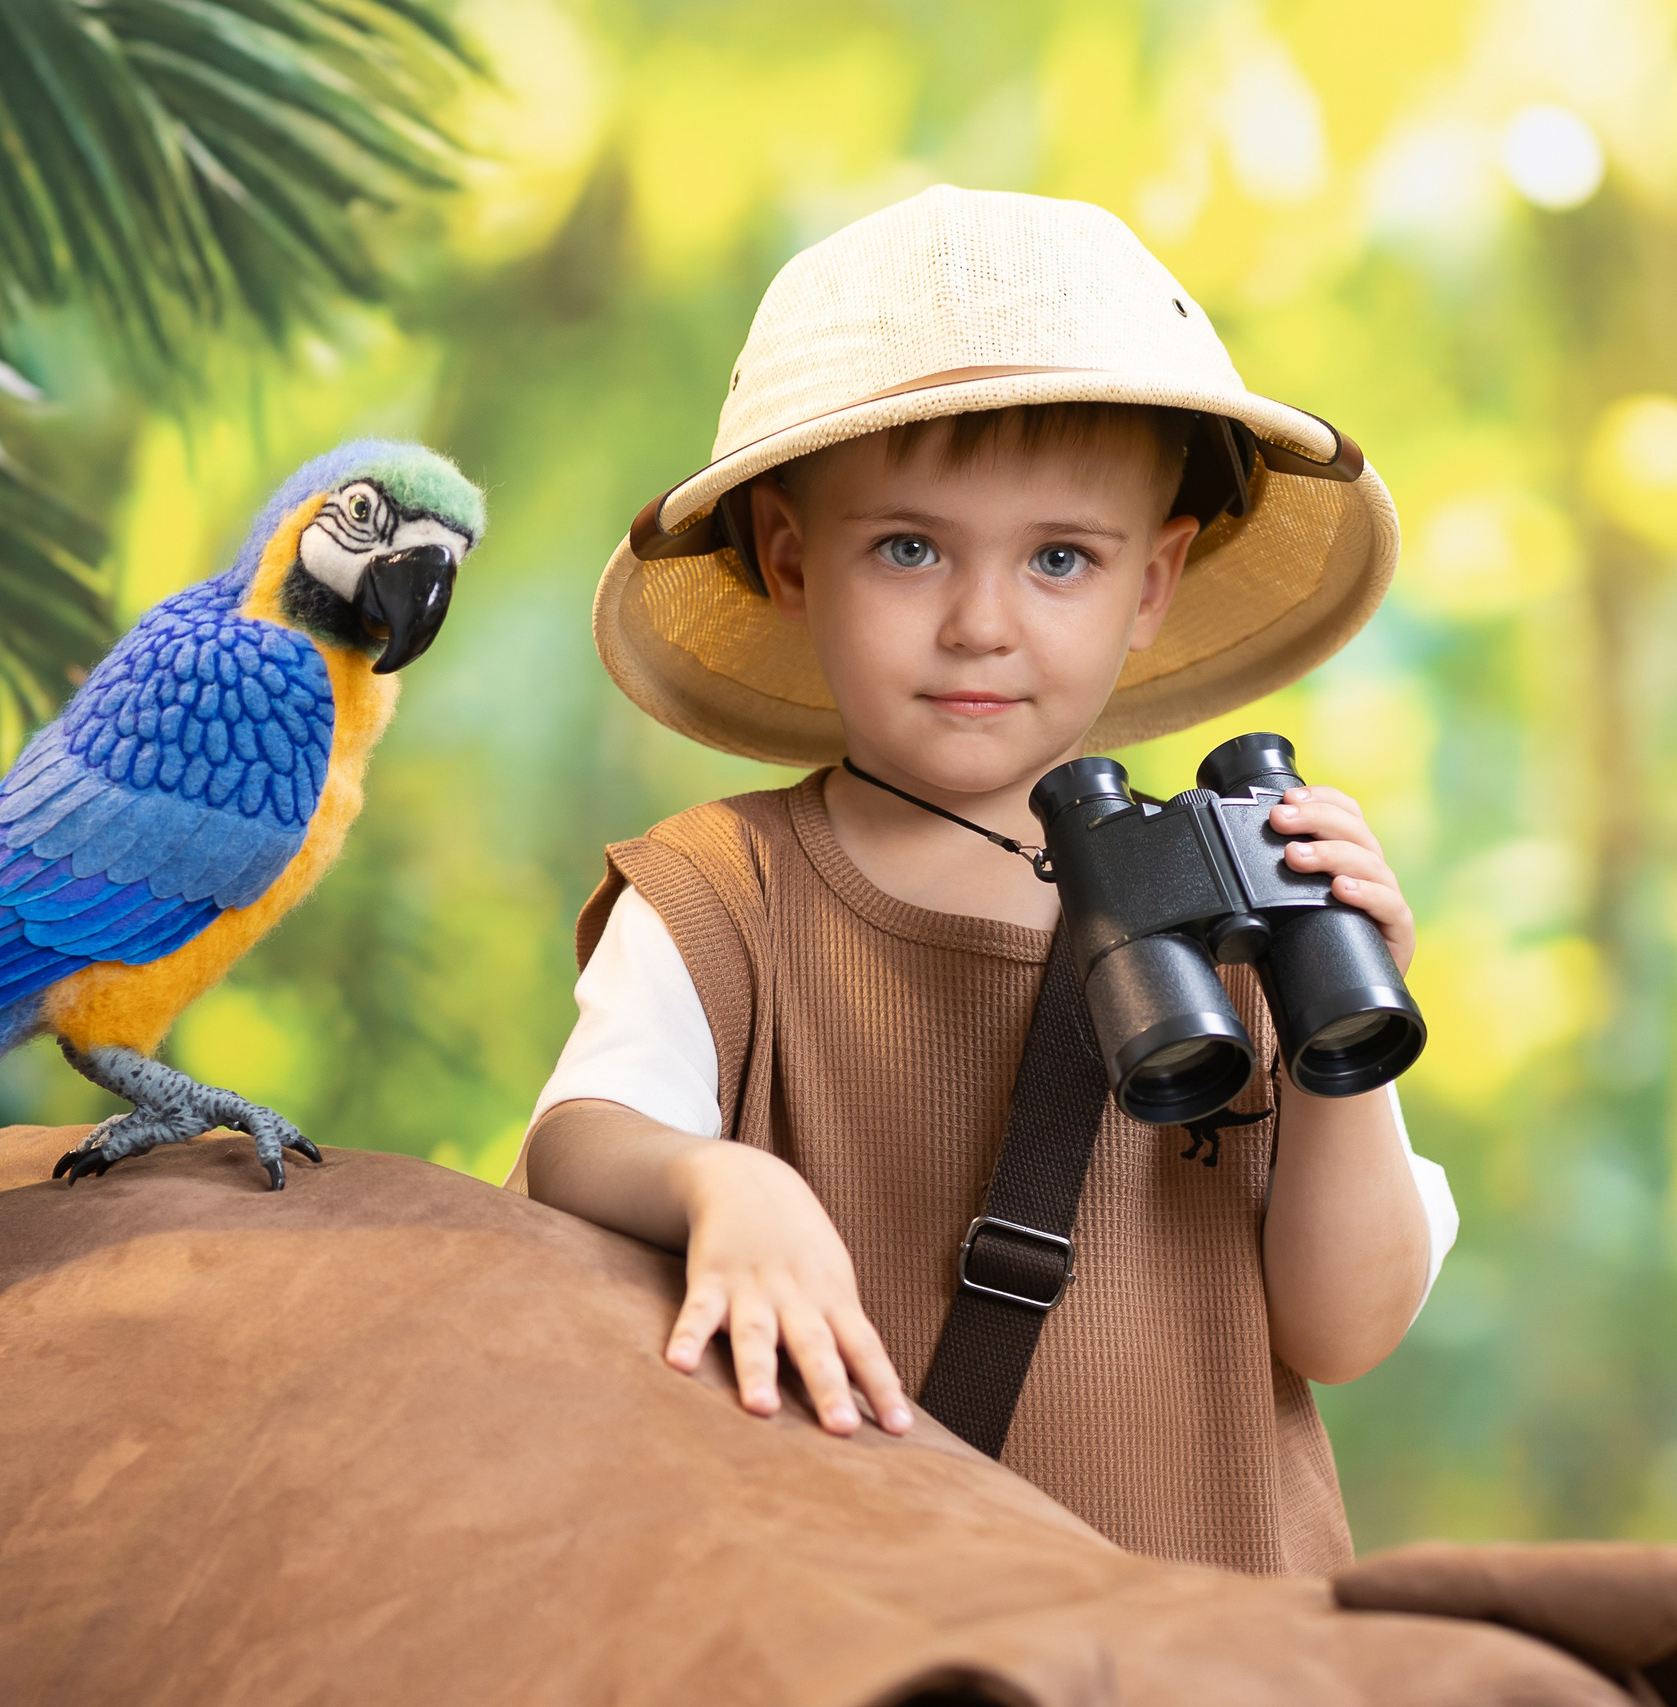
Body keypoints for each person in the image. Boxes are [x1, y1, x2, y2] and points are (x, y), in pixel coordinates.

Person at [510, 187, 1459, 1575]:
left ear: (1153, 585)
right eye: (909, 548)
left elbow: (1342, 1328)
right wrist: (723, 1184)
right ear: (789, 559)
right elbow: (571, 1145)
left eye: (1061, 559)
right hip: (857, 1637)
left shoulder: (1236, 905)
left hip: (1213, 1643)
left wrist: (1345, 1039)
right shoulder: (728, 893)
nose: (980, 622)